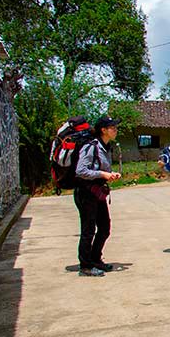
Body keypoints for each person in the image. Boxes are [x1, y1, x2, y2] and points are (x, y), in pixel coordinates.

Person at [73, 116, 122, 277]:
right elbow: (81, 171)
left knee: (104, 228)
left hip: (97, 193)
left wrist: (109, 175)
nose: (116, 130)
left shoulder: (105, 147)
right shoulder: (91, 147)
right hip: (86, 193)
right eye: (113, 128)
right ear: (103, 130)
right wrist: (103, 174)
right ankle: (85, 266)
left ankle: (95, 259)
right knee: (88, 230)